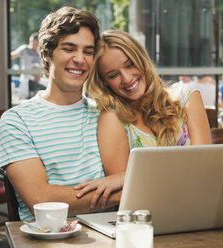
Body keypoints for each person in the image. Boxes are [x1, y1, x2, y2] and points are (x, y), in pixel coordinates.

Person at [0, 7, 121, 221]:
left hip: (109, 234)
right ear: (46, 53)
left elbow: (127, 184)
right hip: (48, 237)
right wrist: (117, 191)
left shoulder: (105, 114)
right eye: (69, 48)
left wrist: (126, 186)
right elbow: (40, 200)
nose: (80, 59)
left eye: (88, 51)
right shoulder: (16, 121)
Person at [74, 30, 211, 207]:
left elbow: (205, 167)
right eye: (113, 75)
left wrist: (127, 176)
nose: (127, 78)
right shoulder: (112, 119)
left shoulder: (187, 97)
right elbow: (130, 196)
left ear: (141, 59)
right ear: (104, 82)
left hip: (200, 206)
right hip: (146, 217)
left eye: (130, 65)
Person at [11, 32, 42, 99]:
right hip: (26, 80)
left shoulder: (40, 52)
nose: (32, 44)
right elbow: (13, 55)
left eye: (34, 42)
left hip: (37, 81)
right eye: (31, 41)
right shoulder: (25, 49)